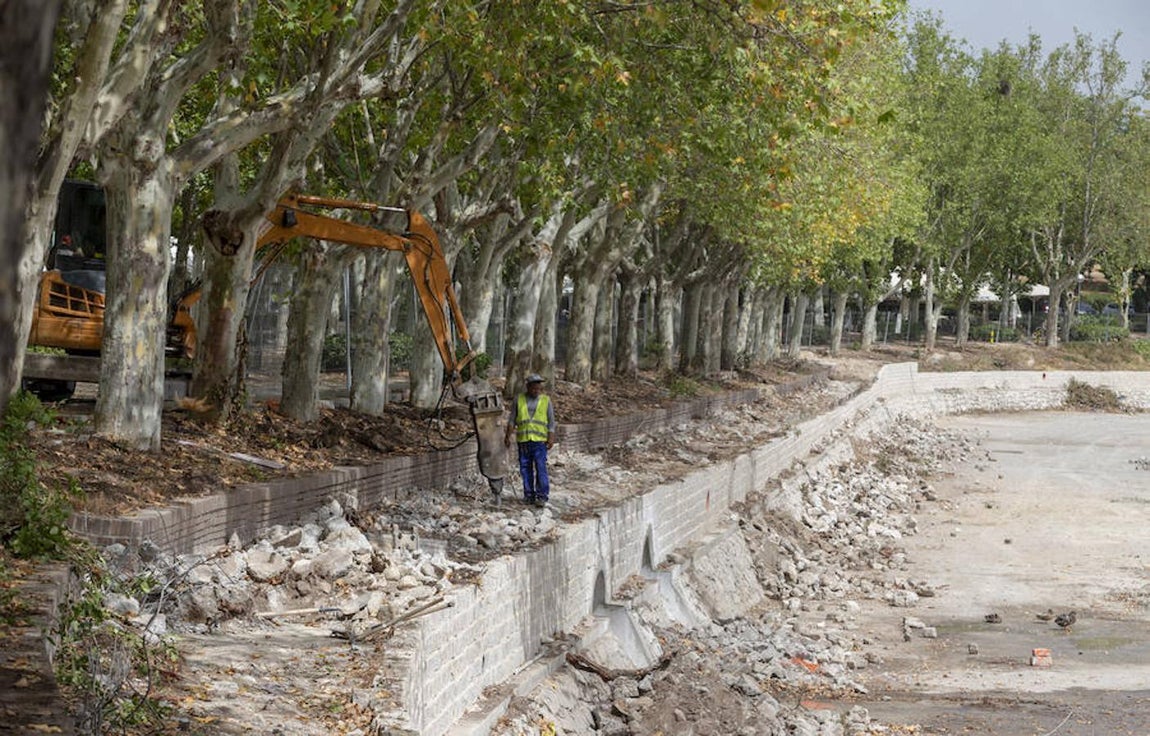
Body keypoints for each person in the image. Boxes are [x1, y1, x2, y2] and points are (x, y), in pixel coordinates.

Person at [505, 373, 556, 507]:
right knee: (525, 468)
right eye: (534, 388)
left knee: (540, 468)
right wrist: (508, 436)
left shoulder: (546, 400)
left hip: (539, 441)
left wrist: (550, 438)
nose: (536, 391)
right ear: (528, 387)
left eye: (539, 388)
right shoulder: (519, 399)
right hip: (524, 441)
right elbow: (512, 420)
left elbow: (551, 422)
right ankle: (529, 495)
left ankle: (542, 496)